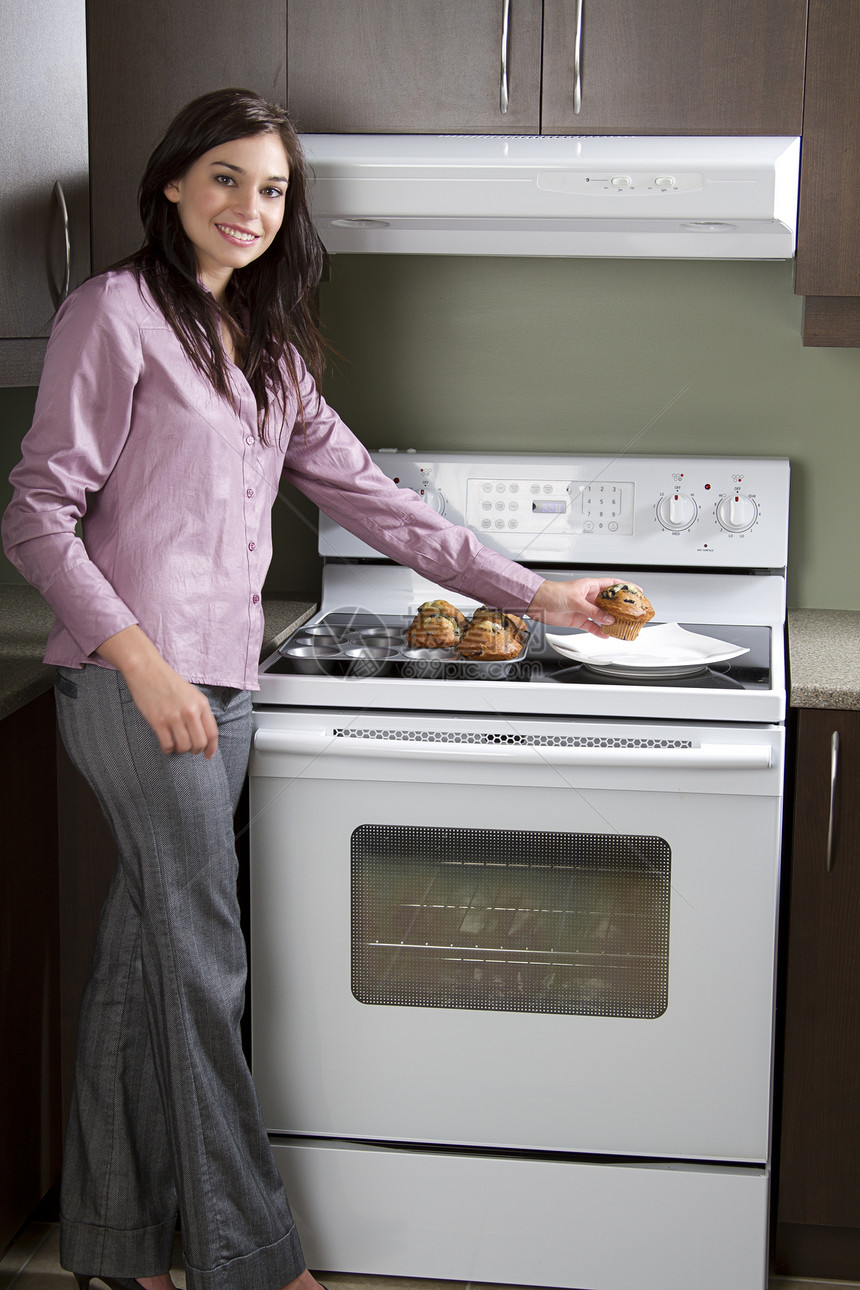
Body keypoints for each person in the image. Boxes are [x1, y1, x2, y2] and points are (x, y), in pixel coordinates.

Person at [2, 89, 618, 1290]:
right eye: (226, 178)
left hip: (225, 682)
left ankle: (118, 1247)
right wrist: (140, 662)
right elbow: (35, 513)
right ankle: (252, 1261)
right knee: (207, 959)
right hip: (138, 685)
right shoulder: (113, 314)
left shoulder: (270, 354)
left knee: (150, 952)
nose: (250, 206)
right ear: (174, 185)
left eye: (273, 188)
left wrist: (535, 593)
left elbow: (378, 501)